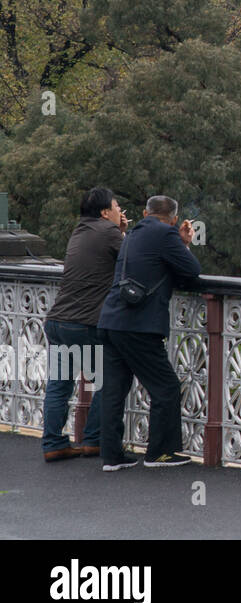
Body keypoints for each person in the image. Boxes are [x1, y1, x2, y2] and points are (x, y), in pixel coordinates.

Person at [97, 195, 201, 471]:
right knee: (165, 386)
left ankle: (111, 456)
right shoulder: (166, 233)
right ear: (175, 219)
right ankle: (160, 453)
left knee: (114, 391)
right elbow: (192, 271)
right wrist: (184, 243)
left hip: (110, 319)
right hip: (138, 324)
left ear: (145, 212)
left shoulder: (132, 233)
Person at [41, 187, 127, 462]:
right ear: (105, 212)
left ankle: (53, 443)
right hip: (84, 323)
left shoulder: (80, 231)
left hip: (57, 322)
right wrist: (121, 231)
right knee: (109, 379)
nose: (119, 211)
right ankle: (94, 440)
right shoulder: (109, 232)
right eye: (116, 206)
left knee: (59, 385)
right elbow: (135, 259)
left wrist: (119, 229)